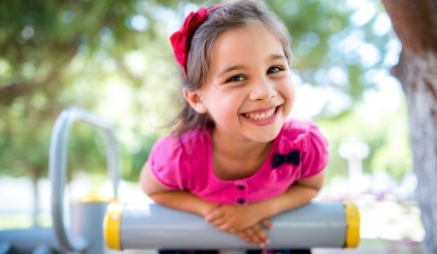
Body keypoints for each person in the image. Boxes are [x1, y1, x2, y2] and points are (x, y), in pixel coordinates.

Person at [140, 1, 329, 253]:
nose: (264, 92)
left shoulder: (303, 145)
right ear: (198, 99)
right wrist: (212, 212)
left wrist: (261, 210)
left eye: (274, 69)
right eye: (236, 77)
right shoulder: (180, 155)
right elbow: (154, 190)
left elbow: (311, 186)